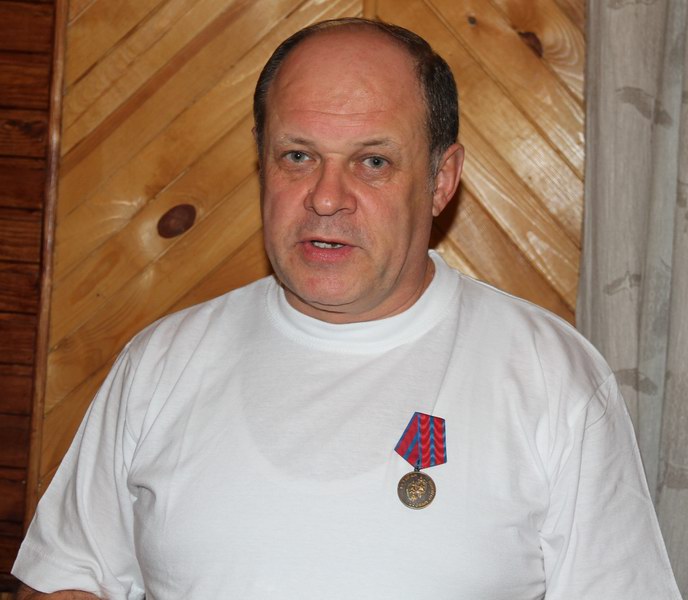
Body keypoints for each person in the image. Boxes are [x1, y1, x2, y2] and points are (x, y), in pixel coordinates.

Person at [12, 17, 682, 600]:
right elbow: (69, 575)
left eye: (373, 162)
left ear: (441, 179)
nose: (326, 197)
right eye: (298, 155)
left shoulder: (550, 375)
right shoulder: (161, 362)